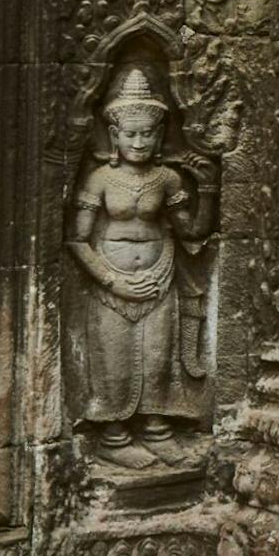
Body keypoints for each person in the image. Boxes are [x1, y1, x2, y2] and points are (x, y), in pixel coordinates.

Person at [67, 61, 209, 470]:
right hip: (112, 283)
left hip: (159, 277)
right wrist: (114, 281)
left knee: (156, 357)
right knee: (113, 360)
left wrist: (210, 187)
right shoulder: (100, 179)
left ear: (160, 134)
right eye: (130, 134)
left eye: (148, 133)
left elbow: (192, 233)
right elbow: (76, 239)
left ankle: (157, 430)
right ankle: (113, 436)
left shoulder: (166, 179)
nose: (140, 142)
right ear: (115, 135)